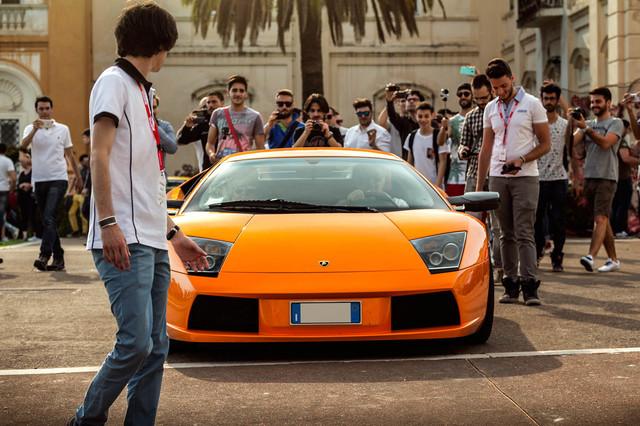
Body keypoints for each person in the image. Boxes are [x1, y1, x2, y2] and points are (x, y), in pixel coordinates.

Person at [69, 3, 207, 425]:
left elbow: (147, 181)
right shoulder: (113, 83)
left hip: (152, 238)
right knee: (135, 344)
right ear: (159, 43)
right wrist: (108, 223)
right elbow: (99, 155)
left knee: (156, 345)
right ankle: (85, 419)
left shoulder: (144, 92)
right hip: (124, 237)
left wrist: (175, 234)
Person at [476, 58, 550, 306]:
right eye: (495, 87)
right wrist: (479, 186)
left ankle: (530, 286)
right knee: (504, 233)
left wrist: (522, 159)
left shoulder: (532, 104)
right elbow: (486, 148)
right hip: (498, 177)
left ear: (512, 78)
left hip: (526, 177)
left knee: (524, 231)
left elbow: (545, 144)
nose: (500, 91)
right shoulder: (490, 108)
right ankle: (510, 285)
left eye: (504, 86)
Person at [20, 96, 82, 271]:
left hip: (58, 178)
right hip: (39, 180)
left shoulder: (63, 129)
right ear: (37, 110)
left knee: (48, 216)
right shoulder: (30, 128)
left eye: (47, 108)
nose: (45, 112)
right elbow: (23, 147)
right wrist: (34, 129)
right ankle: (59, 257)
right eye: (41, 109)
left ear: (52, 109)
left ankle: (44, 255)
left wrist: (78, 177)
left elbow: (70, 155)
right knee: (48, 220)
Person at [571, 87, 625, 273]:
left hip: (607, 177)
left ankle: (590, 256)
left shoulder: (616, 123)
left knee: (600, 217)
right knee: (604, 219)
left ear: (608, 103)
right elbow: (571, 143)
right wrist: (572, 123)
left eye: (598, 101)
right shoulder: (587, 124)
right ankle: (613, 260)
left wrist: (586, 129)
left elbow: (606, 143)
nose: (594, 105)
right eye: (592, 102)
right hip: (590, 177)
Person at [458, 74, 503, 280]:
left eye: (484, 98)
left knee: (498, 224)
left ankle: (500, 267)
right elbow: (463, 143)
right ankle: (473, 268)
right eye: (477, 99)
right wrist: (463, 150)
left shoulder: (500, 113)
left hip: (496, 173)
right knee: (472, 224)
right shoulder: (471, 116)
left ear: (491, 92)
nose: (481, 102)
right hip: (474, 172)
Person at [532, 83, 570, 272]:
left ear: (557, 100)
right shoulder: (535, 125)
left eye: (552, 98)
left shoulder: (564, 125)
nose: (548, 102)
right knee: (537, 219)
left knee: (558, 220)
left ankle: (557, 257)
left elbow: (571, 149)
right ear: (541, 100)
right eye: (545, 98)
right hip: (538, 178)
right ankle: (537, 252)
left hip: (558, 178)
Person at [205, 75, 265, 163]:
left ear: (246, 94)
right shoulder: (218, 114)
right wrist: (211, 154)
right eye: (234, 90)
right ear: (228, 92)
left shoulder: (255, 116)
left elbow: (260, 148)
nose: (238, 94)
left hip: (244, 164)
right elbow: (210, 143)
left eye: (241, 91)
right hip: (222, 164)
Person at [438, 83, 474, 196]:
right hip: (455, 177)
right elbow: (440, 142)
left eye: (466, 94)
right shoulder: (452, 121)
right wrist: (443, 127)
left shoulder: (478, 117)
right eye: (460, 94)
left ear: (472, 95)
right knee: (455, 206)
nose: (463, 96)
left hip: (474, 173)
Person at [404, 101, 450, 187]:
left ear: (432, 115)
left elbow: (443, 162)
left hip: (434, 185)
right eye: (420, 116)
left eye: (426, 116)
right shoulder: (411, 136)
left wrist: (437, 186)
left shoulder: (438, 136)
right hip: (417, 185)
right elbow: (410, 162)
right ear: (416, 116)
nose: (423, 120)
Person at [177, 91, 224, 171]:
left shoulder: (230, 119)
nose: (210, 105)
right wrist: (187, 126)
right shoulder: (203, 123)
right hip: (209, 169)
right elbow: (182, 140)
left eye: (214, 102)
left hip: (228, 165)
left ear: (222, 103)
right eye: (208, 103)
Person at [610, 120, 638, 238]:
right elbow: (625, 158)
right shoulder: (621, 141)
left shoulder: (612, 139)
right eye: (627, 128)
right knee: (623, 204)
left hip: (615, 177)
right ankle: (620, 229)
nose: (629, 131)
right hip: (623, 177)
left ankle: (614, 229)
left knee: (616, 204)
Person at [386, 86, 422, 158]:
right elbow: (392, 115)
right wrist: (389, 101)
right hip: (408, 162)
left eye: (415, 99)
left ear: (421, 103)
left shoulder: (431, 123)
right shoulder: (403, 122)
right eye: (409, 100)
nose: (411, 101)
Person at [16, 149, 39, 240]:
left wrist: (29, 185)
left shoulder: (34, 171)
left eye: (27, 157)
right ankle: (24, 235)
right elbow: (18, 184)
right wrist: (21, 185)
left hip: (31, 196)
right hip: (22, 197)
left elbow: (36, 182)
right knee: (23, 215)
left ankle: (35, 234)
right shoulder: (22, 173)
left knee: (33, 215)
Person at [152, 94, 177, 169]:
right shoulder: (136, 126)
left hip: (159, 173)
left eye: (154, 107)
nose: (151, 111)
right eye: (149, 107)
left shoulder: (165, 126)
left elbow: (173, 148)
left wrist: (154, 126)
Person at [378, 92, 407, 157]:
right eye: (402, 101)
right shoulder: (393, 122)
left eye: (407, 100)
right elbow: (381, 123)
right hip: (397, 159)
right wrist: (390, 102)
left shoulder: (417, 121)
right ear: (398, 104)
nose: (405, 103)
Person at [0, 143, 16, 241]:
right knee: (2, 213)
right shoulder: (7, 161)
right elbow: (13, 178)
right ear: (5, 151)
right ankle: (2, 236)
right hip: (3, 189)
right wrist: (12, 189)